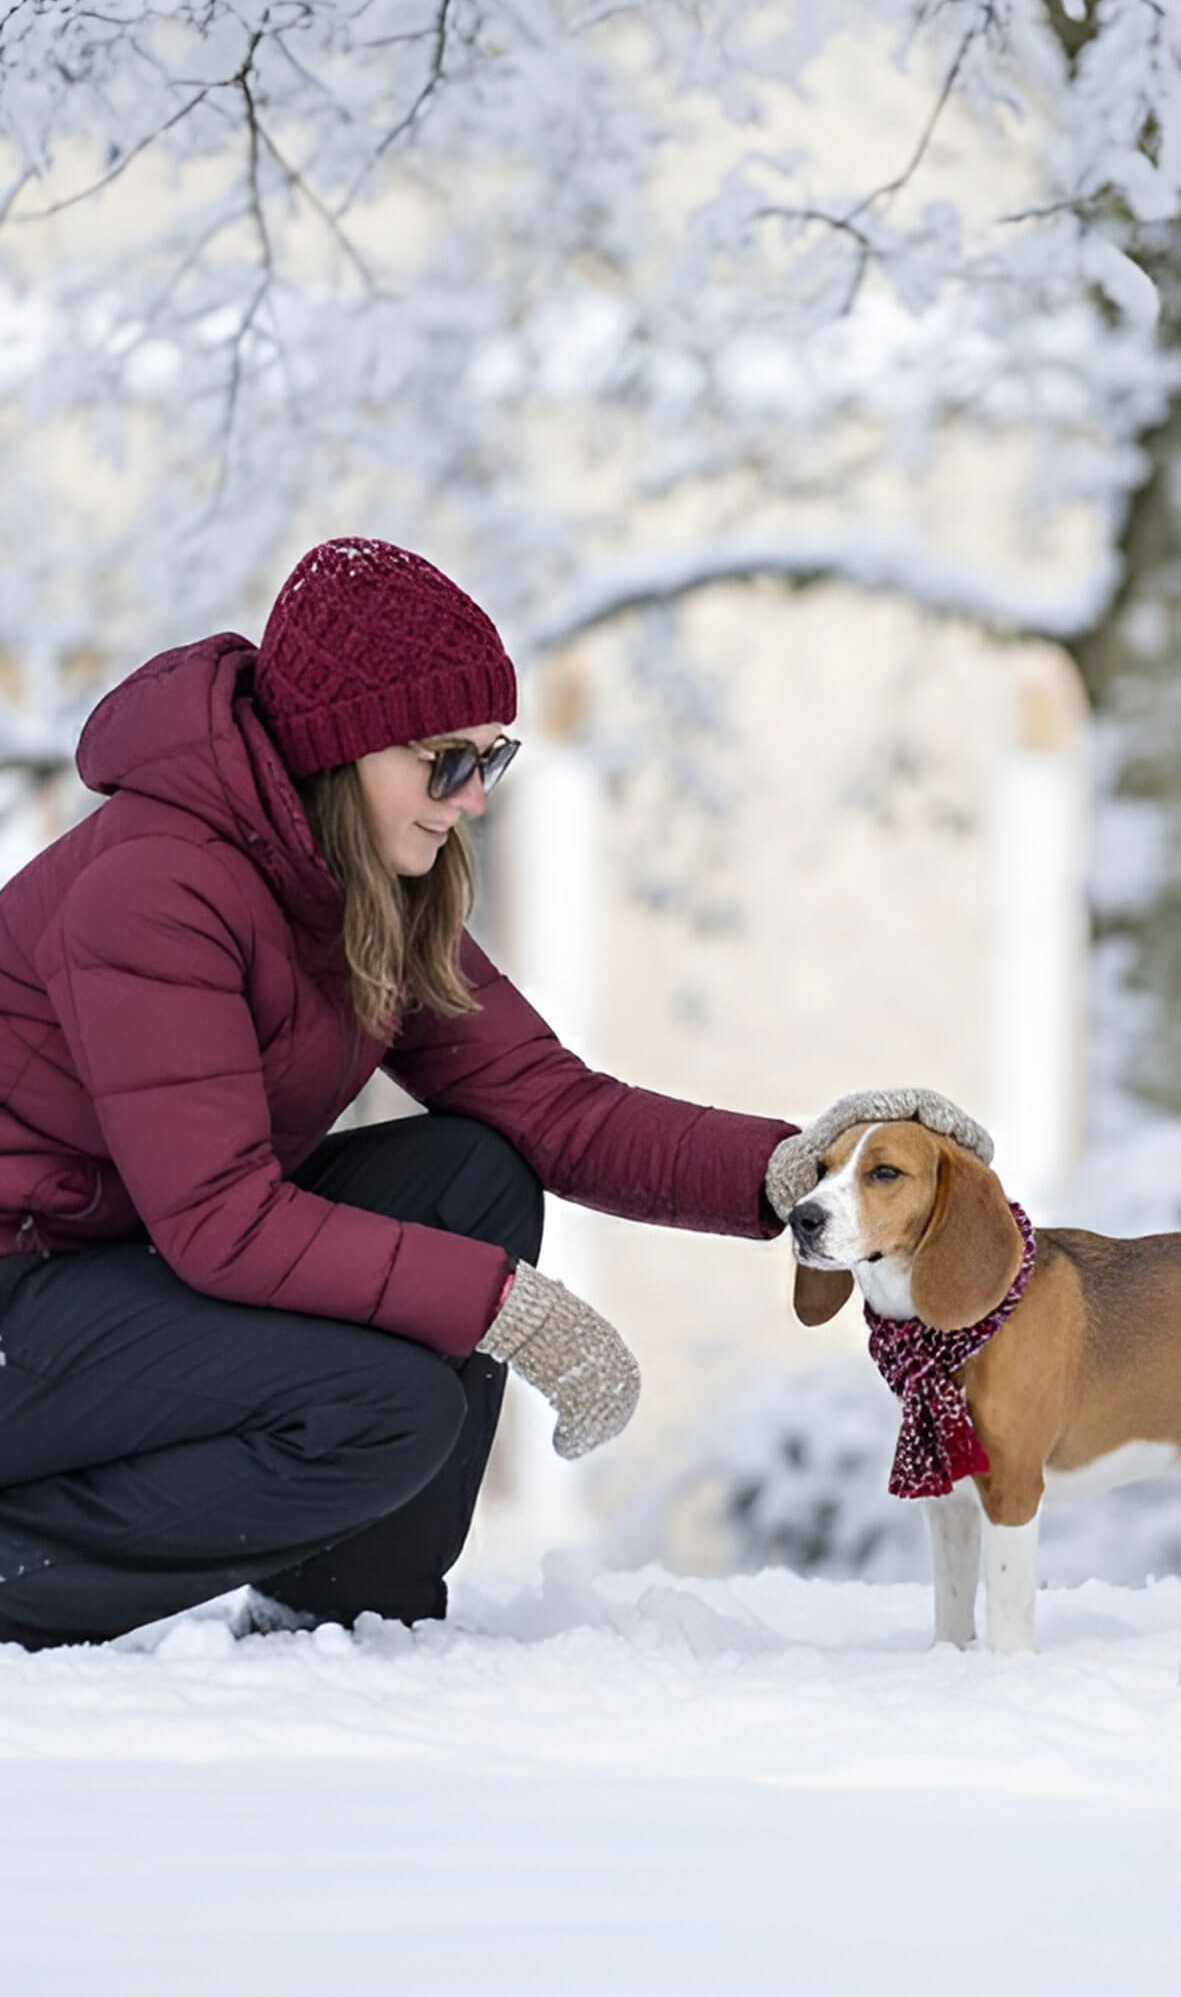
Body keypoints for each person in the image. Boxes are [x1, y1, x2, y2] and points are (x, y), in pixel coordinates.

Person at [0, 535, 802, 1650]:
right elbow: (222, 1223)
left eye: (490, 761)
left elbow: (549, 1105)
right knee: (384, 1407)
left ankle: (349, 1623)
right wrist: (505, 1308)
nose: (470, 800)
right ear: (341, 747)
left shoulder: (359, 893)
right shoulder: (154, 886)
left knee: (472, 1173)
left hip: (105, 1272)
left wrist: (794, 1170)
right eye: (444, 761)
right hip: (23, 1293)